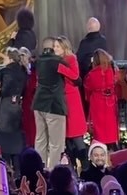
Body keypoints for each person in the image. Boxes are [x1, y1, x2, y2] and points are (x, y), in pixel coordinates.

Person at [0, 47, 27, 177]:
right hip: (17, 105)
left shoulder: (7, 71)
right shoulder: (22, 70)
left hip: (6, 107)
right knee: (15, 137)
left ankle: (4, 169)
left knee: (4, 138)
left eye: (5, 56)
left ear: (9, 58)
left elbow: (5, 89)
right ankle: (17, 170)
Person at [32, 36, 67, 171]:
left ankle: (38, 172)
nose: (58, 48)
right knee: (55, 144)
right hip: (54, 106)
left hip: (38, 104)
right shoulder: (58, 61)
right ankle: (53, 173)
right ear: (53, 47)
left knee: (40, 140)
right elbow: (75, 78)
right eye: (57, 46)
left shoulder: (38, 60)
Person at [55, 36, 87, 165]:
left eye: (57, 46)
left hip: (72, 98)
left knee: (76, 133)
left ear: (64, 47)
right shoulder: (55, 60)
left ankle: (85, 164)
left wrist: (60, 68)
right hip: (60, 99)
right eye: (54, 46)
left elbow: (75, 76)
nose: (55, 49)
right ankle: (71, 167)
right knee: (66, 136)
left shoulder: (71, 58)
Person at [84, 51, 119, 149]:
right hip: (110, 102)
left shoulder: (92, 74)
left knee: (99, 130)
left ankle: (100, 149)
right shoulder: (113, 71)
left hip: (97, 103)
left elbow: (88, 89)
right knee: (111, 128)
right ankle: (113, 149)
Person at [19, 46, 37, 148]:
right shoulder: (19, 71)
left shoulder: (34, 71)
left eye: (24, 56)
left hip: (32, 103)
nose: (23, 59)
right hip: (24, 103)